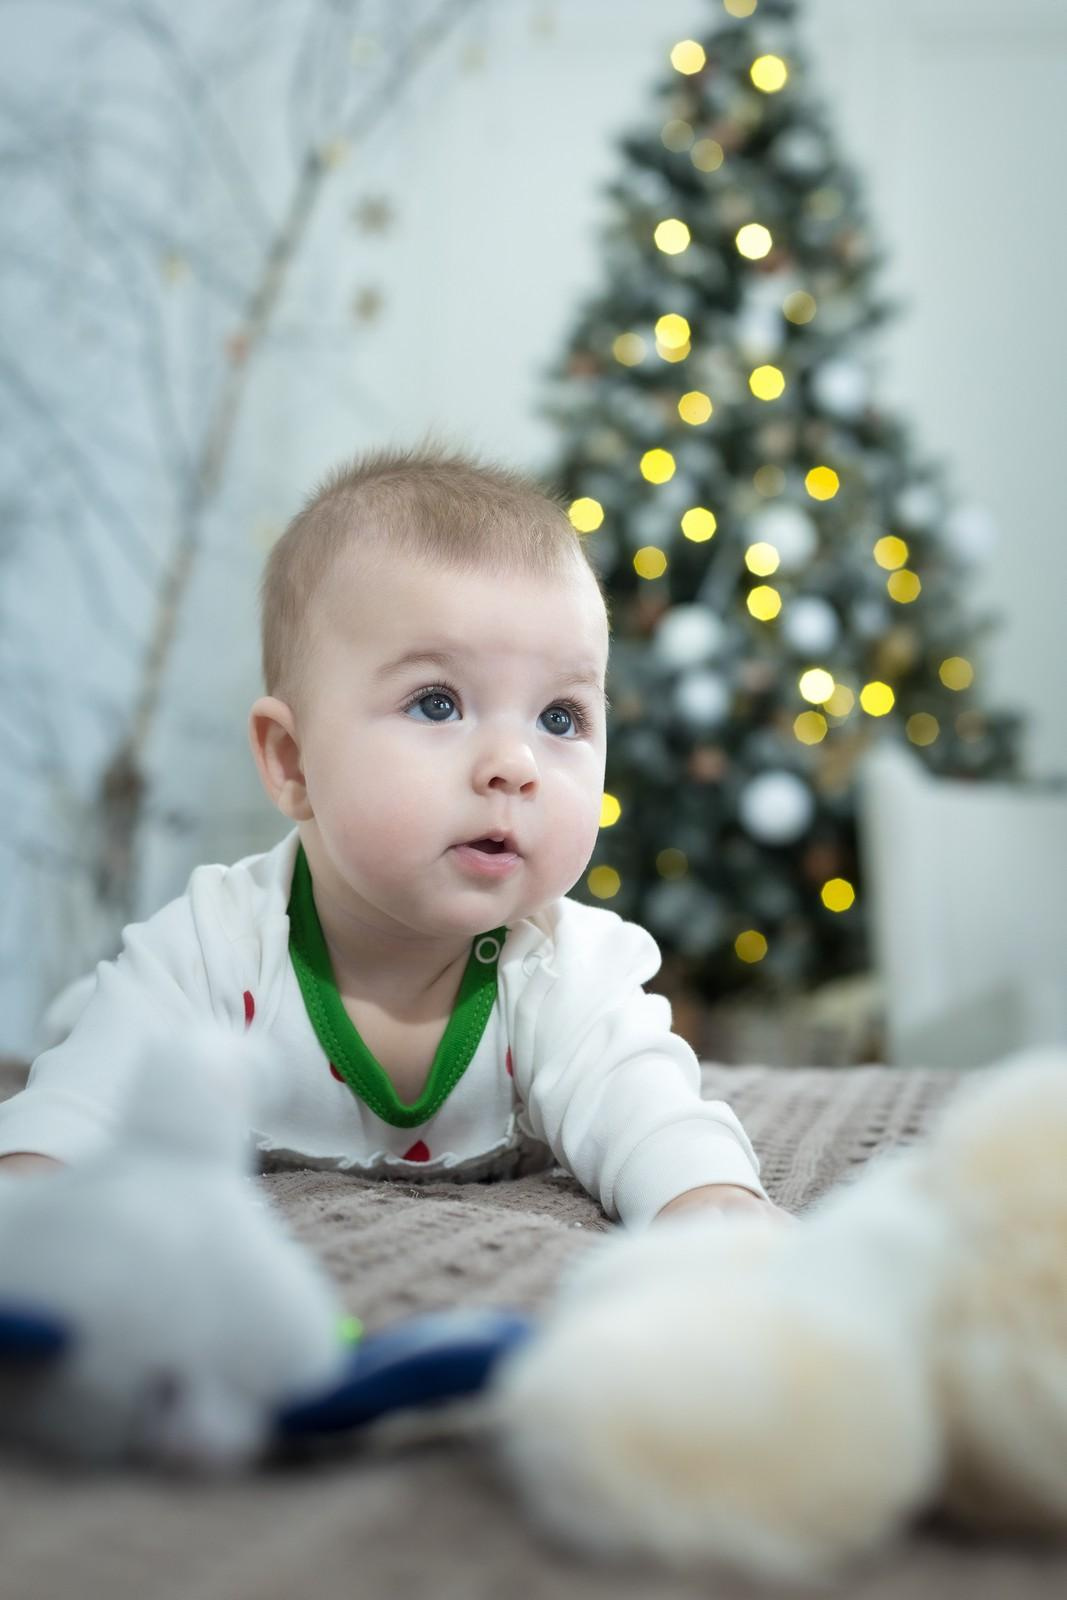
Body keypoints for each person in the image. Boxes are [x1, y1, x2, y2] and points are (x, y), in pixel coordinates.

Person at [0, 446, 789, 1230]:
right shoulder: (218, 949)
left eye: (560, 717)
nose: (514, 766)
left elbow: (648, 1106)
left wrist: (707, 1204)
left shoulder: (558, 969)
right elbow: (71, 1118)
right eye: (437, 704)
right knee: (89, 1034)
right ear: (292, 760)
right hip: (145, 1022)